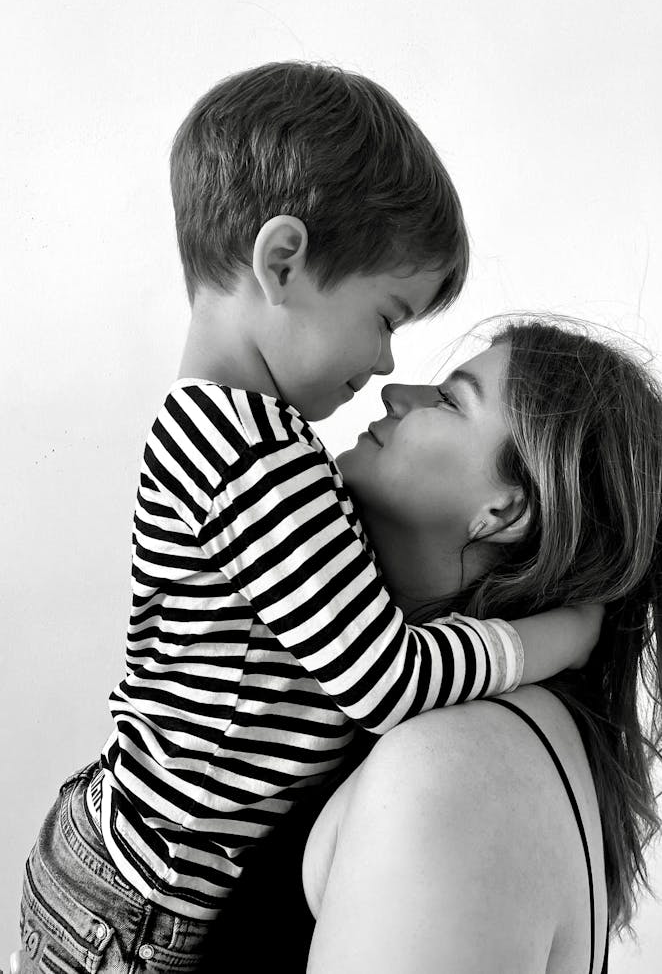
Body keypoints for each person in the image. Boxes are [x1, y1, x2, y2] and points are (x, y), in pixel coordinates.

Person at [17, 67, 600, 973]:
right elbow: (383, 678)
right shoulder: (250, 457)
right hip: (139, 892)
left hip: (133, 873)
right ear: (281, 261)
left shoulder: (249, 443)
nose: (383, 362)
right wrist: (550, 639)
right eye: (385, 316)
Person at [299, 317, 662, 973]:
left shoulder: (450, 765)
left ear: (507, 512)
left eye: (451, 400)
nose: (396, 392)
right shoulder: (484, 733)